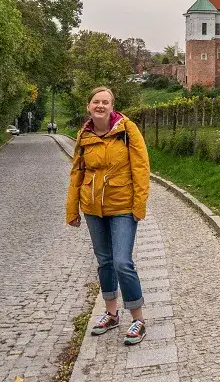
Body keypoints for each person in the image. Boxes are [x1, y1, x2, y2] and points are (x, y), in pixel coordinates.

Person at [66, 86, 151, 345]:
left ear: (112, 106)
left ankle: (138, 319)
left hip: (122, 206)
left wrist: (139, 205)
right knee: (104, 261)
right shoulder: (85, 135)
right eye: (96, 102)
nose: (100, 106)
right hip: (93, 208)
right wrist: (72, 209)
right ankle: (111, 314)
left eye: (105, 102)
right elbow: (76, 173)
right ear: (89, 107)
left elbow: (141, 167)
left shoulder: (127, 130)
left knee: (122, 262)